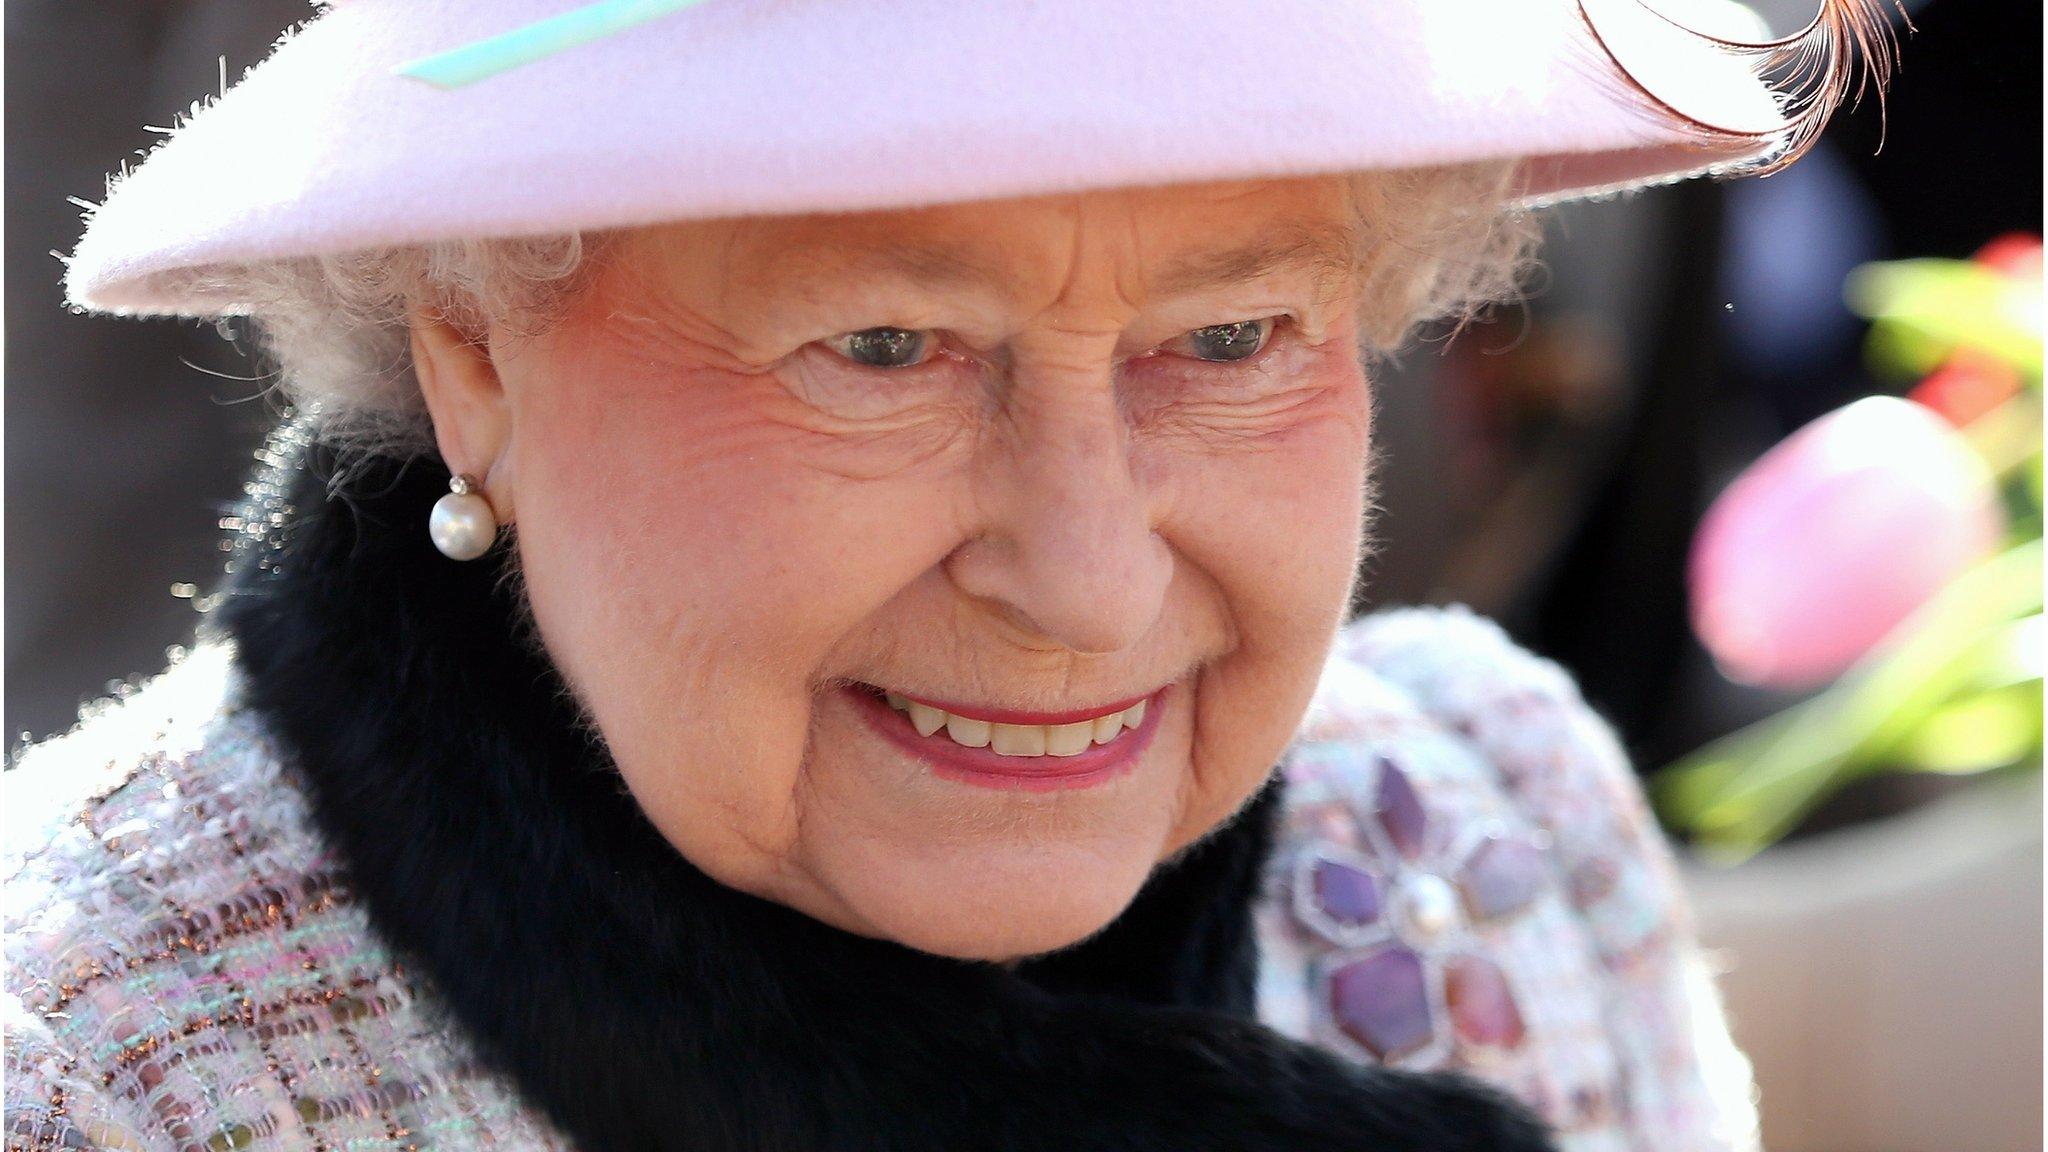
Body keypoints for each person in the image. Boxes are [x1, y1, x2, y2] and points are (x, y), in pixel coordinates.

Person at [4, 1, 1891, 1149]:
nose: (1081, 580)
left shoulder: (1489, 839)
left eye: (1234, 338)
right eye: (886, 348)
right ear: (473, 349)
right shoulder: (89, 1080)